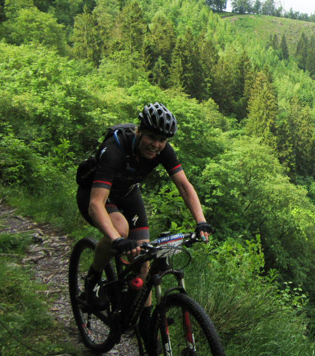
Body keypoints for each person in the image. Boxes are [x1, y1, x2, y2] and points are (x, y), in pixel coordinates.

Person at [75, 102, 212, 332]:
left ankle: (145, 325)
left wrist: (201, 221)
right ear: (139, 131)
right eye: (151, 137)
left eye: (162, 140)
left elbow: (184, 186)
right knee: (119, 228)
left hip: (128, 194)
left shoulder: (163, 150)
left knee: (143, 261)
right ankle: (92, 281)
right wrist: (117, 240)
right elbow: (96, 204)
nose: (156, 145)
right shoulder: (115, 150)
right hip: (95, 195)